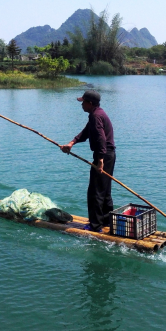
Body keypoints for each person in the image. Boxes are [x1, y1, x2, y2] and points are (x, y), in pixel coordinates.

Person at [60, 90, 116, 232]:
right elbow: (86, 132)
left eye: (83, 102)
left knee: (95, 192)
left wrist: (100, 159)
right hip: (108, 155)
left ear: (90, 103)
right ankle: (106, 221)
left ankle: (95, 226)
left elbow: (101, 138)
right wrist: (71, 143)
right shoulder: (96, 114)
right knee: (104, 190)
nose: (81, 105)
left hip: (103, 156)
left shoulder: (96, 116)